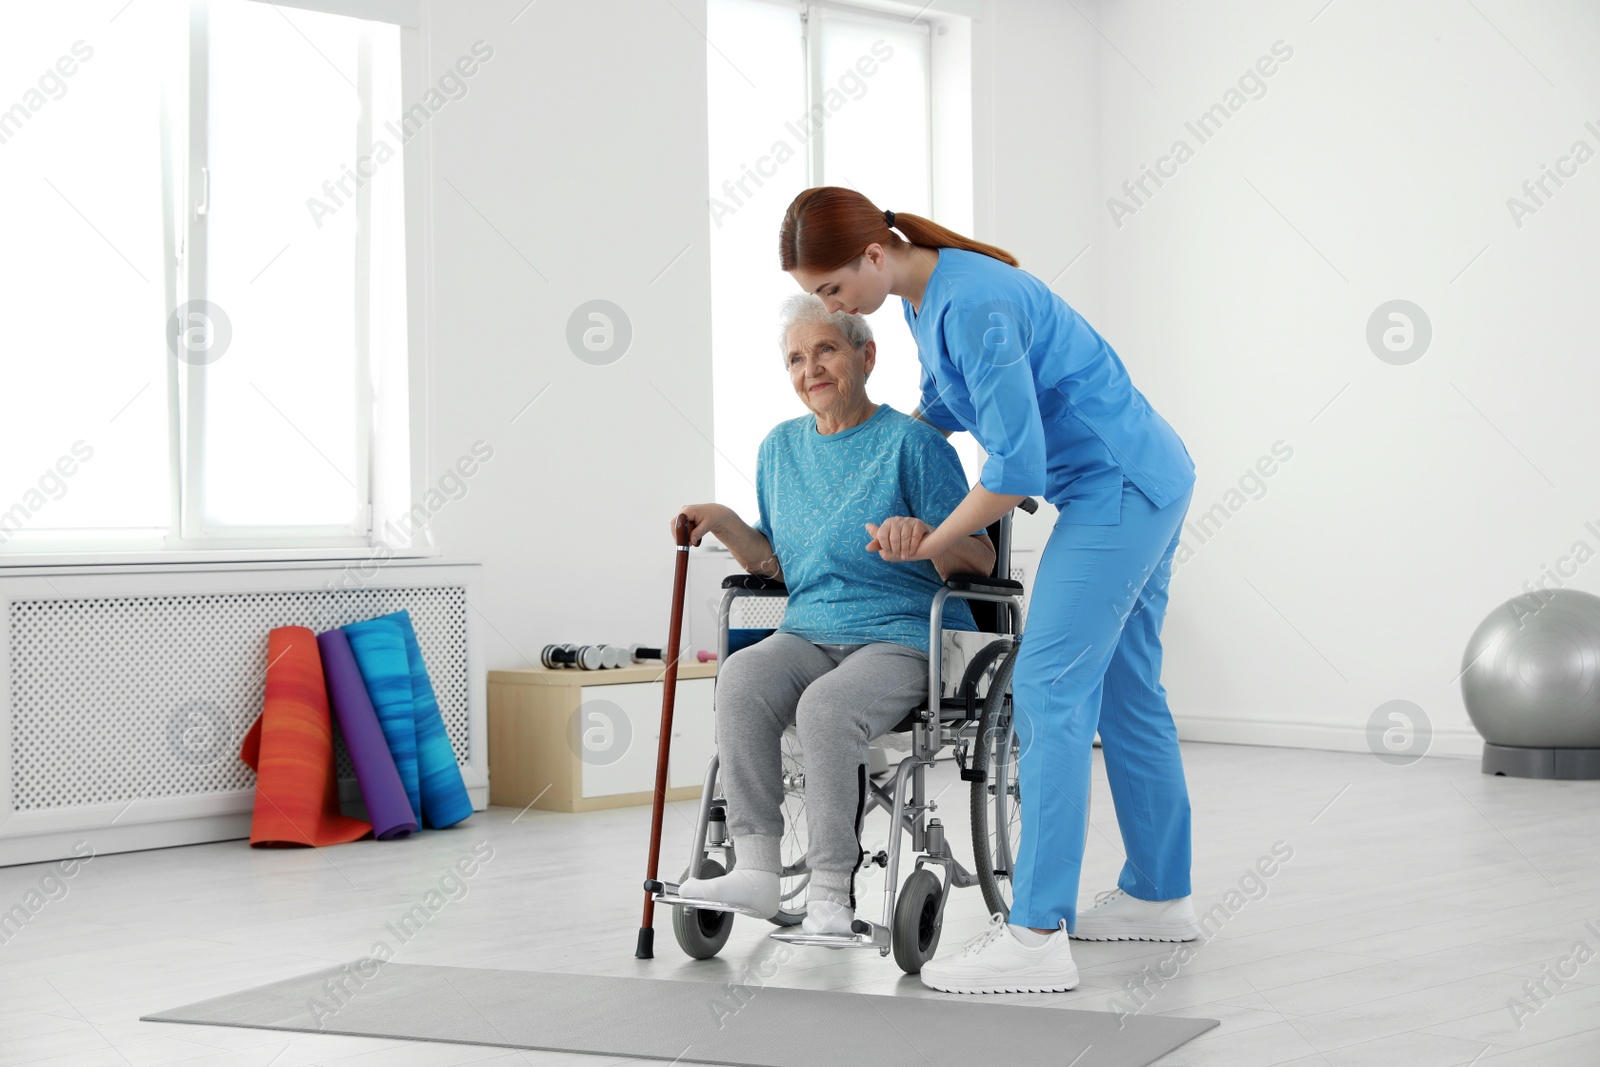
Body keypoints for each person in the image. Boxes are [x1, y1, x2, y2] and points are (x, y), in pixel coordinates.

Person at [781, 187, 1201, 994]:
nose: (830, 308)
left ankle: (1037, 933)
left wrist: (928, 542)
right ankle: (1158, 891)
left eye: (832, 289)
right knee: (1125, 689)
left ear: (873, 254)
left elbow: (1016, 471)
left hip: (1115, 486)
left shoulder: (972, 303)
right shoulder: (925, 296)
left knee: (1047, 685)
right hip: (1146, 474)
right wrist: (880, 454)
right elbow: (942, 404)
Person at [671, 293, 994, 937]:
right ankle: (759, 869)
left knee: (826, 706)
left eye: (826, 350)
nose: (810, 368)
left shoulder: (914, 445)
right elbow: (780, 564)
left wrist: (926, 535)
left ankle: (829, 892)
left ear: (866, 357)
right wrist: (727, 522)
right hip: (808, 631)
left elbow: (980, 560)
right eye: (796, 358)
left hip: (899, 636)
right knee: (741, 677)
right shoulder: (778, 450)